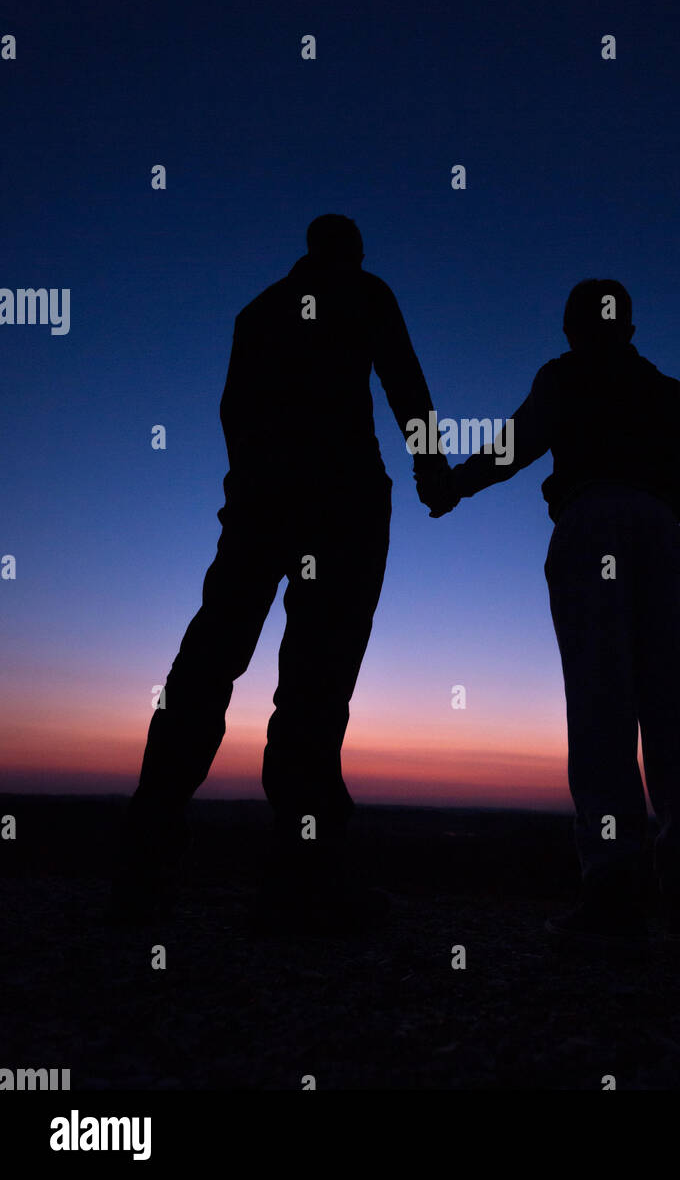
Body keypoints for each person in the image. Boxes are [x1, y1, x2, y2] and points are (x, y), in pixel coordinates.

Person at [110, 214, 451, 929]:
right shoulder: (365, 292)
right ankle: (301, 872)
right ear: (351, 252)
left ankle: (146, 854)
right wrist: (428, 466)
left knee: (209, 665)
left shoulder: (258, 311)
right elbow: (405, 384)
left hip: (261, 507)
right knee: (314, 685)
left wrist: (249, 493)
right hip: (340, 504)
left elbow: (234, 412)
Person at [427, 279, 680, 948]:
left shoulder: (564, 377)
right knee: (672, 710)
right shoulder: (664, 390)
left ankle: (614, 888)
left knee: (600, 706)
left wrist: (452, 485)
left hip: (592, 520)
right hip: (658, 529)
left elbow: (515, 445)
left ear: (572, 326)